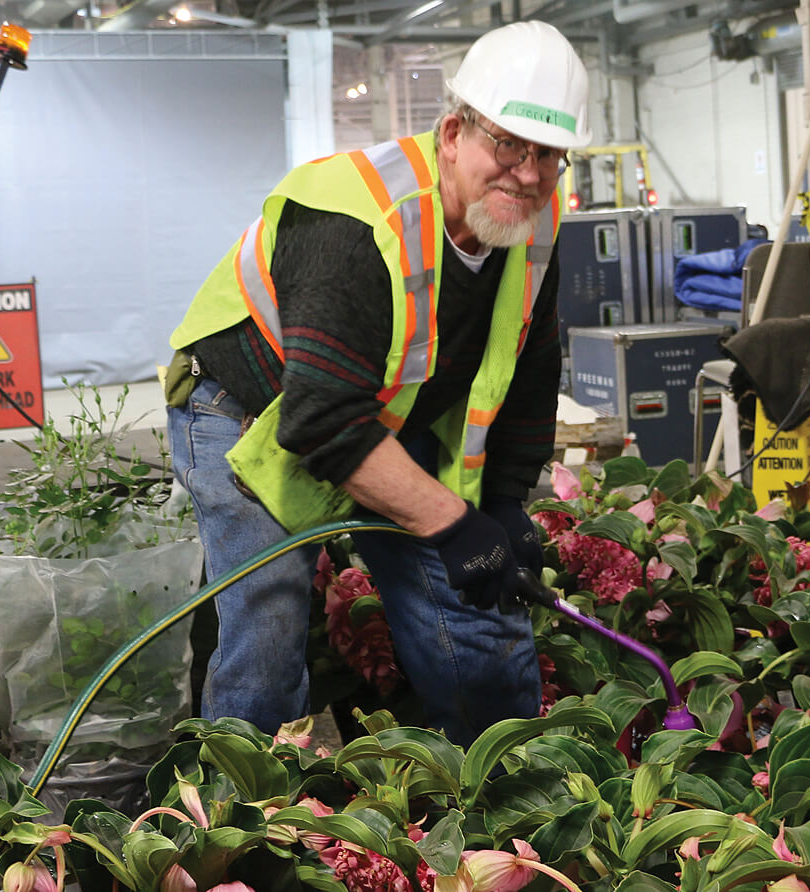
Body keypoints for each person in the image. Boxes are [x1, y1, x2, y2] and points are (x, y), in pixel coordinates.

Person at [163, 20, 591, 746]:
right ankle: (241, 817)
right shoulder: (354, 221)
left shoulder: (535, 220)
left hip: (380, 411)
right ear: (453, 133)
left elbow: (528, 365)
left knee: (470, 612)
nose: (526, 172)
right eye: (507, 145)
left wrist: (507, 503)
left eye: (546, 154)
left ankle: (492, 783)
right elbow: (322, 422)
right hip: (245, 406)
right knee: (268, 626)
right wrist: (450, 521)